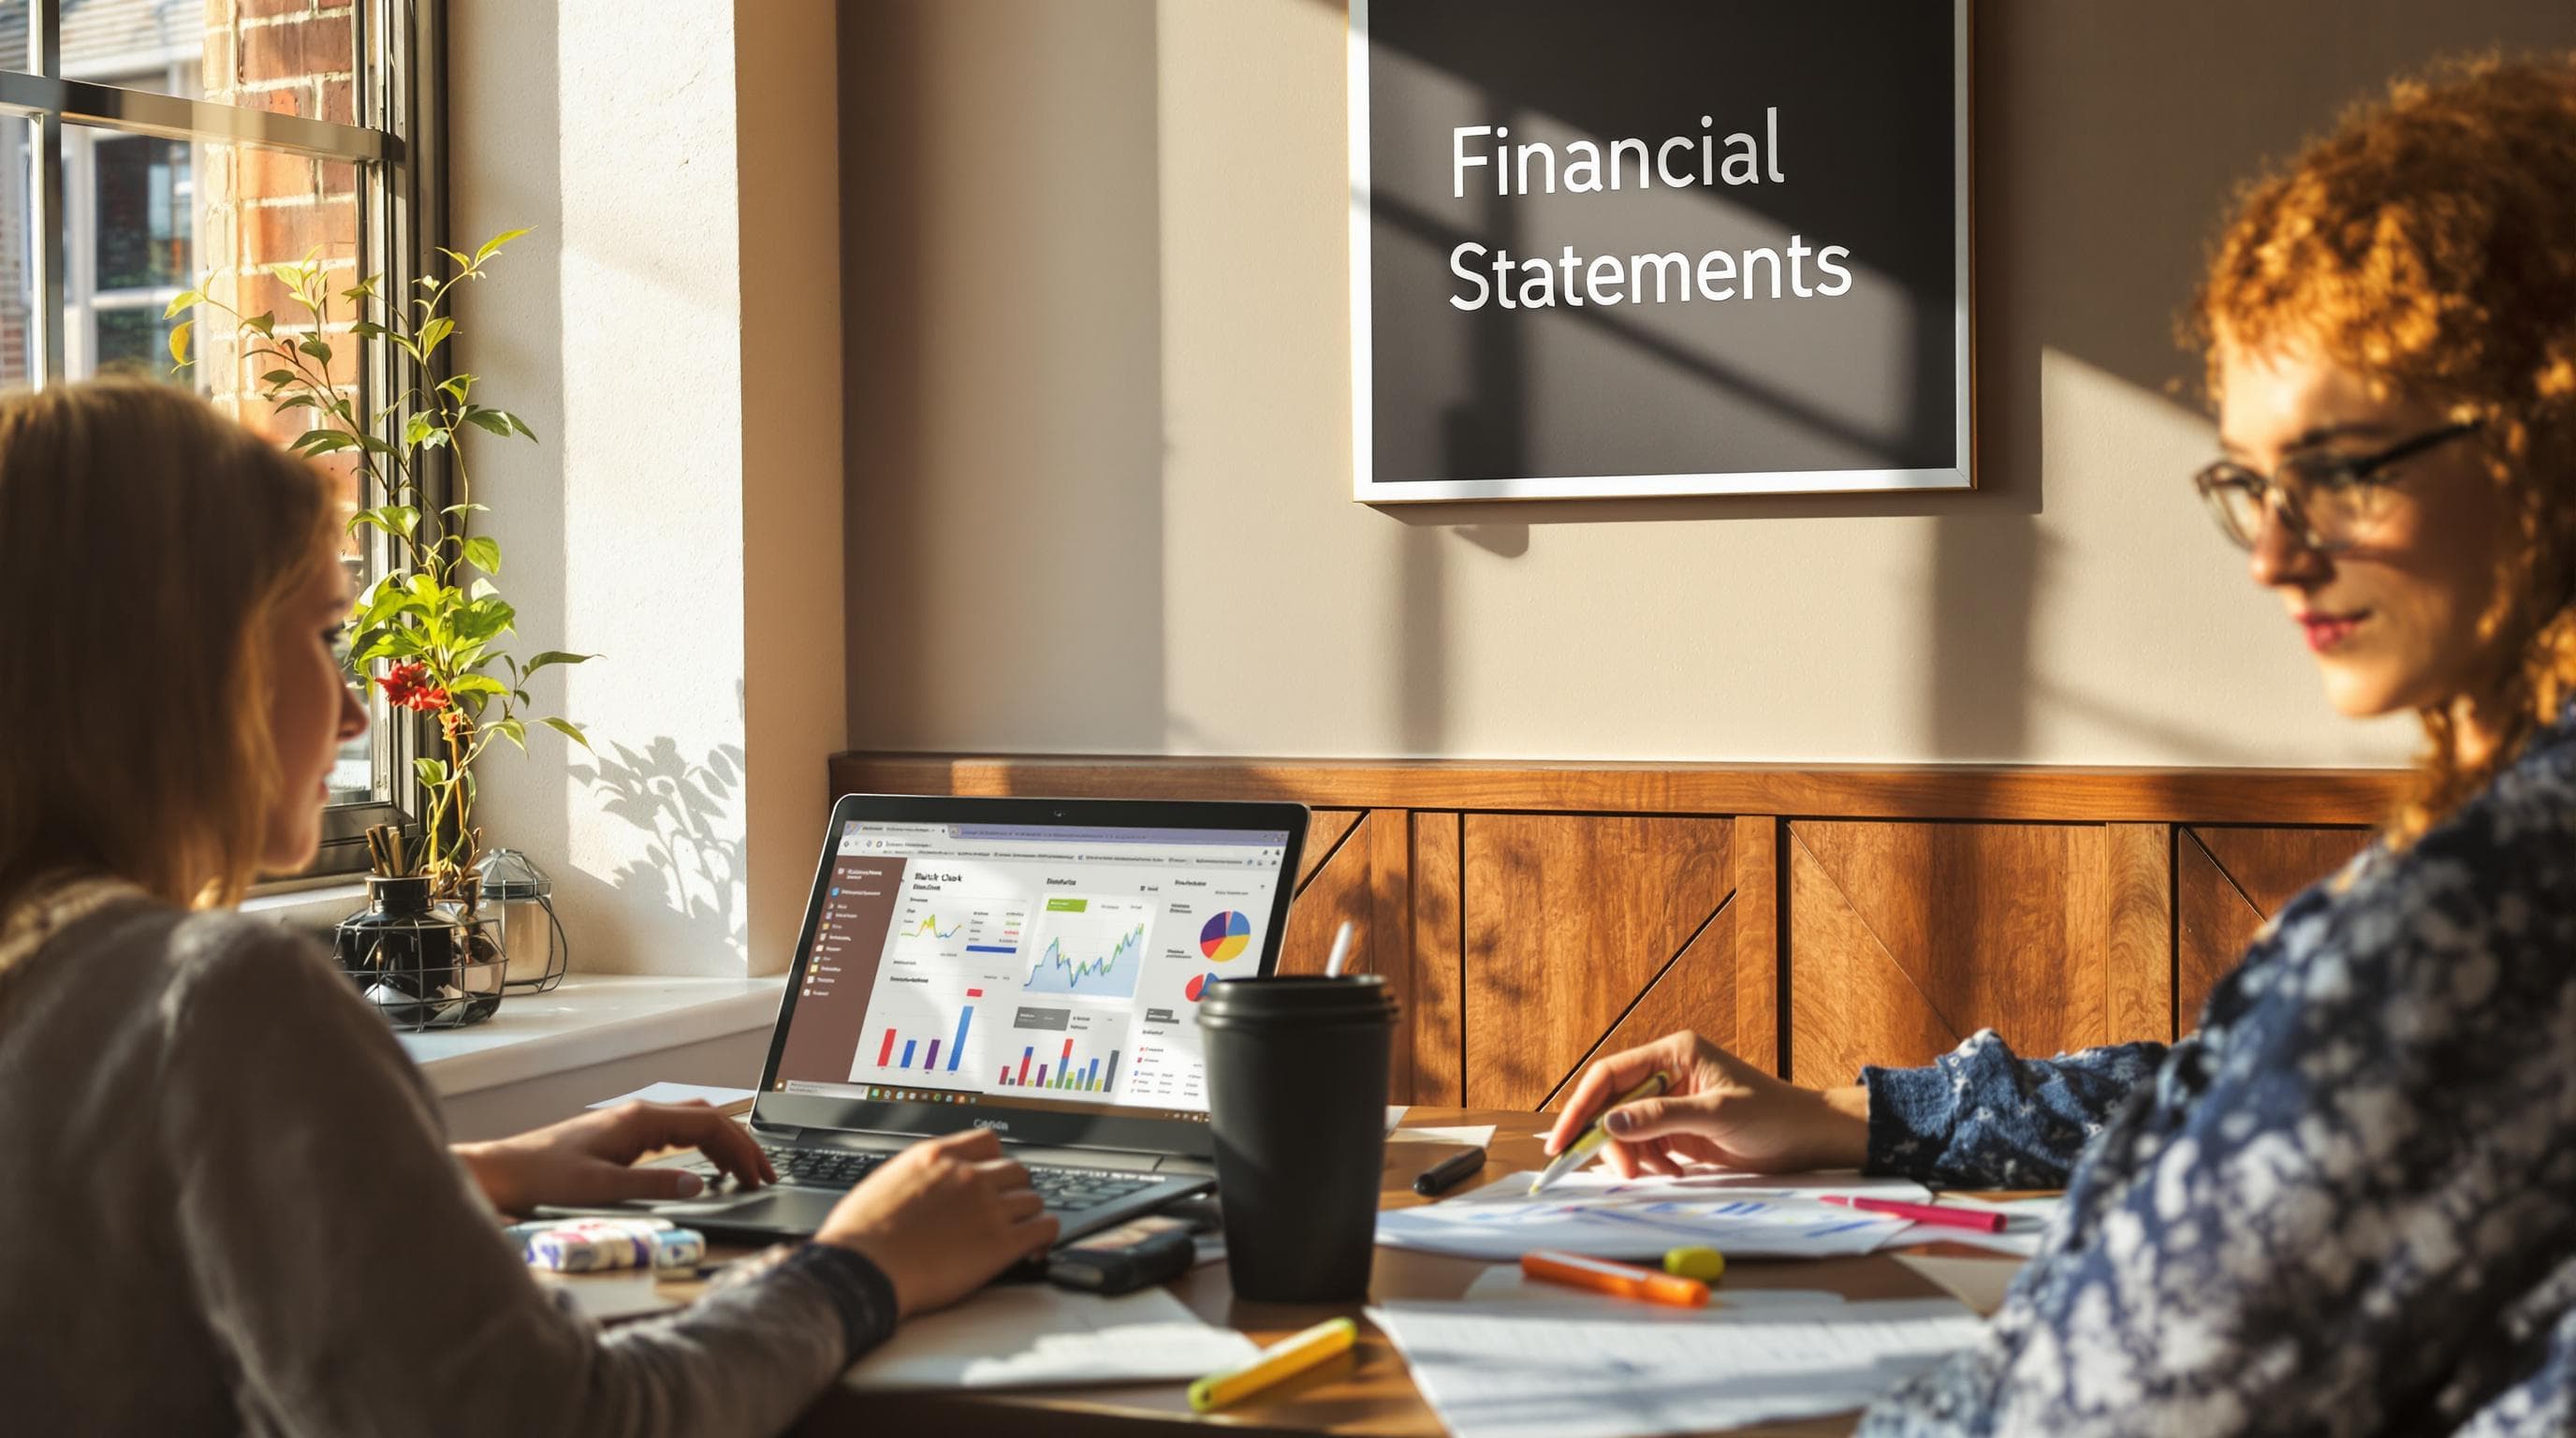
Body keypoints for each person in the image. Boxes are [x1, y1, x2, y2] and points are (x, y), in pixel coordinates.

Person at [1549, 55, 2576, 1435]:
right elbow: (2252, 1105)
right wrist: (1877, 1123)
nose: (2273, 555)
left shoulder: (2484, 924)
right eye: (2251, 484)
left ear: (2546, 438)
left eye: (2341, 470)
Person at [0, 378, 1061, 1435]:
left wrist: (454, 1175)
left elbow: (96, 1231)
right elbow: (572, 1421)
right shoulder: (219, 1000)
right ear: (191, 665)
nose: (359, 709)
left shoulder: (54, 986)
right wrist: (862, 1265)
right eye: (325, 635)